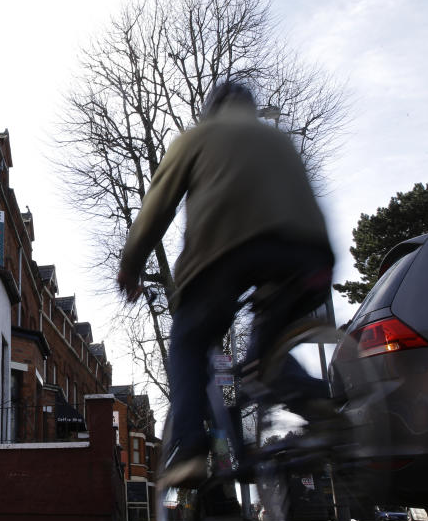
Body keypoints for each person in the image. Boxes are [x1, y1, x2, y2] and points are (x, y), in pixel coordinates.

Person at [117, 81, 334, 488]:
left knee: (187, 341)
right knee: (261, 357)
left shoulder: (196, 138)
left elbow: (156, 206)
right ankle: (318, 402)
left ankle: (191, 449)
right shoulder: (278, 140)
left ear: (209, 111)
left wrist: (131, 265)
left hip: (225, 254)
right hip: (309, 257)